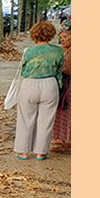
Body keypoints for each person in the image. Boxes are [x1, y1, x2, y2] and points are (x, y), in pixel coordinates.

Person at [14, 21, 64, 161]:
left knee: (25, 118)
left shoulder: (29, 51)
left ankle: (23, 151)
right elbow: (59, 70)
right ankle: (41, 152)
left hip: (30, 84)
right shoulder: (57, 51)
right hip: (50, 84)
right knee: (46, 120)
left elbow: (24, 71)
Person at [51, 26, 71, 152]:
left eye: (65, 37)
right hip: (65, 84)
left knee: (68, 112)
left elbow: (69, 69)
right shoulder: (66, 50)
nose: (62, 40)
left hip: (69, 85)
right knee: (63, 112)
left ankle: (69, 141)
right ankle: (62, 137)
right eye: (61, 38)